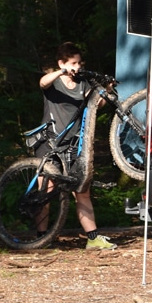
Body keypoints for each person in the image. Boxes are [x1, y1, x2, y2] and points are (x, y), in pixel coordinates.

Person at [36, 42, 117, 250]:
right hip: (50, 142)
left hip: (73, 145)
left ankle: (93, 238)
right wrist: (61, 71)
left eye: (80, 63)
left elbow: (97, 105)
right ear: (62, 63)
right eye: (73, 63)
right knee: (46, 191)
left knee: (82, 191)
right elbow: (42, 82)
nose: (78, 67)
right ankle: (41, 236)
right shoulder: (54, 81)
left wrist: (107, 91)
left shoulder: (82, 84)